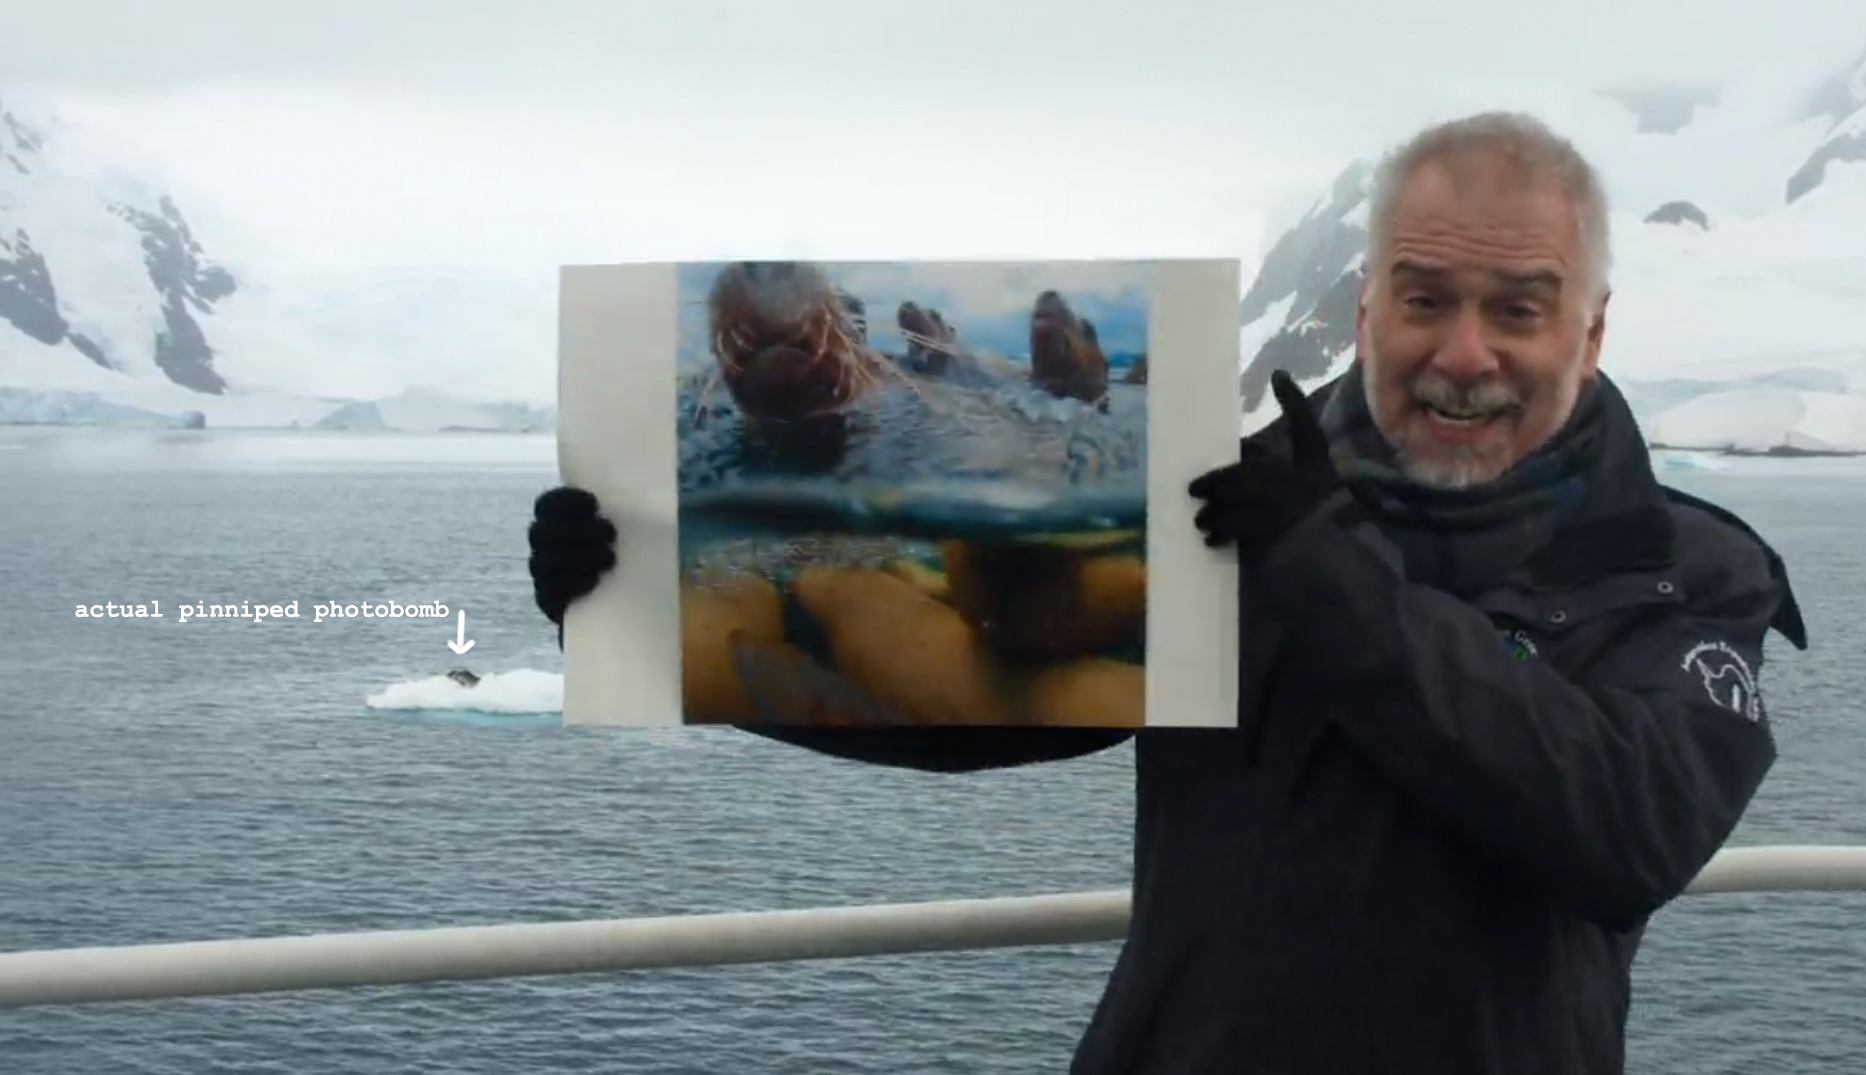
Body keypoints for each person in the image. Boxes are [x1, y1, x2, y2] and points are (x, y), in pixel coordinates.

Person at [526, 111, 1808, 1074]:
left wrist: (1325, 568)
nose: (1463, 350)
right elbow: (998, 689)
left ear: (1587, 332)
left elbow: (1623, 830)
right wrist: (653, 607)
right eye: (1425, 299)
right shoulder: (1232, 507)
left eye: (1517, 309)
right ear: (1369, 310)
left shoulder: (1682, 572)